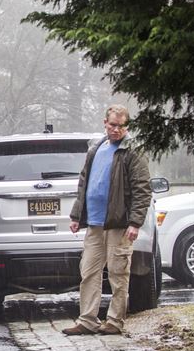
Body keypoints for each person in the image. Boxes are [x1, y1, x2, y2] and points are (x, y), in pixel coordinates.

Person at [63, 104, 152, 336]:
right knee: (89, 271)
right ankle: (87, 320)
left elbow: (142, 189)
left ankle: (114, 321)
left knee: (117, 273)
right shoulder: (96, 148)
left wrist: (135, 223)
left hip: (119, 224)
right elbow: (85, 183)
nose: (116, 130)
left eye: (121, 126)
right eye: (112, 125)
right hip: (94, 223)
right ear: (105, 123)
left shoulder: (133, 151)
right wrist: (76, 215)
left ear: (126, 126)